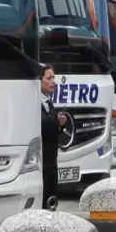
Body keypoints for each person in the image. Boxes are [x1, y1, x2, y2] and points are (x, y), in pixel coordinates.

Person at [39, 65, 66, 209]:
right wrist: (56, 120)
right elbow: (43, 123)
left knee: (52, 197)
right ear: (39, 81)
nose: (53, 81)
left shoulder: (49, 102)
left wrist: (61, 124)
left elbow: (54, 126)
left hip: (52, 160)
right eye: (49, 78)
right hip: (42, 161)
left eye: (53, 77)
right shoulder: (35, 101)